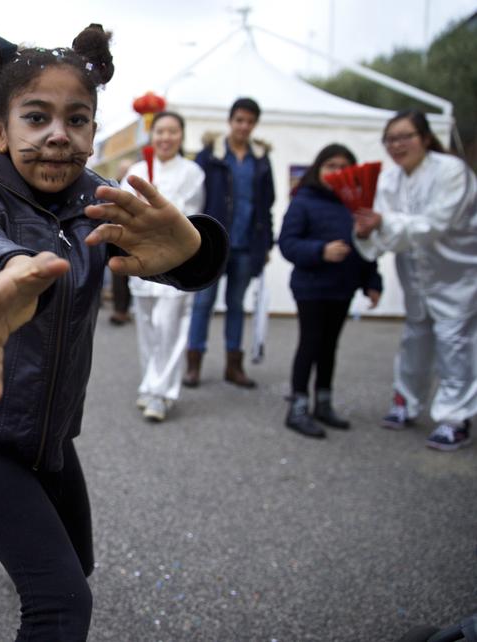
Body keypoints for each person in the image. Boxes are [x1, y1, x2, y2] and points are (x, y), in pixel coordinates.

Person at [0, 20, 227, 640]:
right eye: (36, 118)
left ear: (94, 131)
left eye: (77, 119)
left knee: (80, 567)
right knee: (63, 605)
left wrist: (195, 250)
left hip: (52, 438)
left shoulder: (102, 200)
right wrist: (10, 269)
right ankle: (32, 565)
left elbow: (179, 264)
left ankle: (28, 557)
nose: (57, 137)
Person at [353, 110, 477, 451]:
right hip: (416, 277)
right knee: (414, 338)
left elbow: (435, 224)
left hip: (458, 277)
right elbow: (384, 232)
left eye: (405, 136)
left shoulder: (451, 171)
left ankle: (455, 418)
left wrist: (383, 223)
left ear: (424, 137)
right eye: (391, 139)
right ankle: (405, 402)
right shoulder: (390, 181)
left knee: (454, 343)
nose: (397, 145)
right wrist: (365, 232)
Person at [278, 144, 382, 438]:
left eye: (344, 167)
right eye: (331, 165)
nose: (337, 172)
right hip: (310, 287)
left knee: (329, 346)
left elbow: (366, 249)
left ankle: (323, 402)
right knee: (310, 343)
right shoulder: (303, 200)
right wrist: (320, 251)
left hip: (342, 287)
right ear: (318, 168)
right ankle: (297, 406)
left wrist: (372, 282)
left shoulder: (356, 205)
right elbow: (287, 243)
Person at [184, 97, 275, 388]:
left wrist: (267, 243)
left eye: (250, 121)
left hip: (247, 245)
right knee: (203, 303)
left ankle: (233, 366)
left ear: (255, 124)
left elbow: (267, 205)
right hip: (212, 244)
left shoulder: (261, 160)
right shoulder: (210, 155)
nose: (244, 126)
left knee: (236, 304)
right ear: (230, 121)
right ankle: (193, 364)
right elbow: (195, 199)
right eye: (239, 120)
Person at [121, 111, 205, 422]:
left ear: (181, 136)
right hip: (141, 259)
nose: (165, 138)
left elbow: (191, 215)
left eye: (172, 132)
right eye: (160, 132)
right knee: (147, 325)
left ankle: (162, 392)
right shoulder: (137, 170)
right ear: (151, 135)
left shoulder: (192, 172)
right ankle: (148, 383)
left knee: (170, 326)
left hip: (178, 260)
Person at [109, 157, 135, 326]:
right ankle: (120, 310)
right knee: (118, 274)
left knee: (130, 273)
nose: (125, 173)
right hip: (117, 236)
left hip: (132, 236)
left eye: (128, 170)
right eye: (123, 170)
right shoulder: (112, 187)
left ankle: (125, 308)